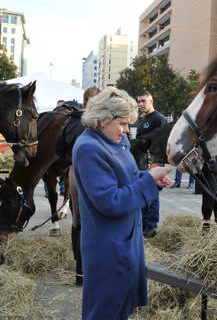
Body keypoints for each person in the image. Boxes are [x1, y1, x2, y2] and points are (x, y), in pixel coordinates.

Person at [72, 87, 171, 320]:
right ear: (104, 118)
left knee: (121, 309)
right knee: (105, 311)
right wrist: (147, 181)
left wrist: (151, 178)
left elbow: (127, 177)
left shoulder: (114, 140)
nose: (128, 130)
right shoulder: (89, 148)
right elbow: (110, 201)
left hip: (125, 241)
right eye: (123, 124)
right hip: (108, 247)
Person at [135, 91, 168, 237]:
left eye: (143, 101)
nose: (141, 104)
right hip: (142, 163)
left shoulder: (158, 119)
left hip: (154, 162)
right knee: (143, 194)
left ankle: (151, 227)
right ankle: (144, 226)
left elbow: (163, 142)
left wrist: (158, 165)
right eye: (139, 101)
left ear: (151, 101)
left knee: (152, 194)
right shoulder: (142, 120)